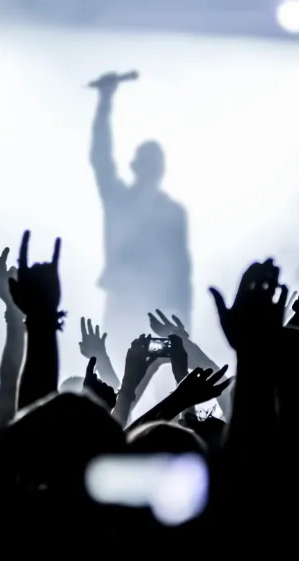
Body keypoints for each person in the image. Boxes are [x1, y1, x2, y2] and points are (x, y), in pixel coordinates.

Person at [88, 71, 192, 358]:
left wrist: (183, 324)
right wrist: (105, 103)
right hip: (124, 302)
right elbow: (101, 158)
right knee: (118, 378)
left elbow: (182, 268)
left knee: (158, 378)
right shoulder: (119, 199)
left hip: (160, 310)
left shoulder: (172, 213)